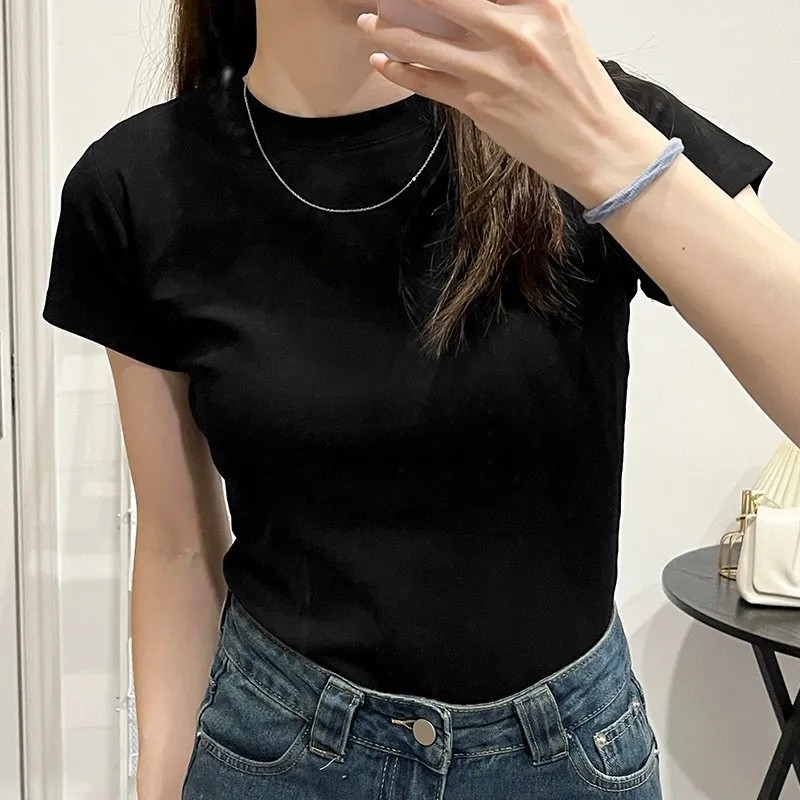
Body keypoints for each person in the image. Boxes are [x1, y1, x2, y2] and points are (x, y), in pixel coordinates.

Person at [42, 0, 779, 798]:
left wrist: (606, 149)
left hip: (567, 757)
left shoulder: (594, 123)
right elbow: (177, 548)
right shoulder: (140, 186)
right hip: (277, 751)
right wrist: (158, 781)